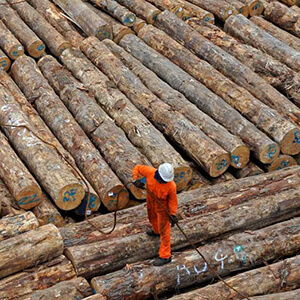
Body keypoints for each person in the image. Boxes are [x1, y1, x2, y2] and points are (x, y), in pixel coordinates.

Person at [132, 163, 178, 266]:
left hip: (163, 208)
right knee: (152, 218)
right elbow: (137, 167)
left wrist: (173, 214)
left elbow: (173, 201)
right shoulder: (150, 172)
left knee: (165, 231)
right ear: (158, 174)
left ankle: (165, 256)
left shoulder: (171, 186)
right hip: (151, 202)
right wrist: (135, 179)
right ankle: (156, 231)